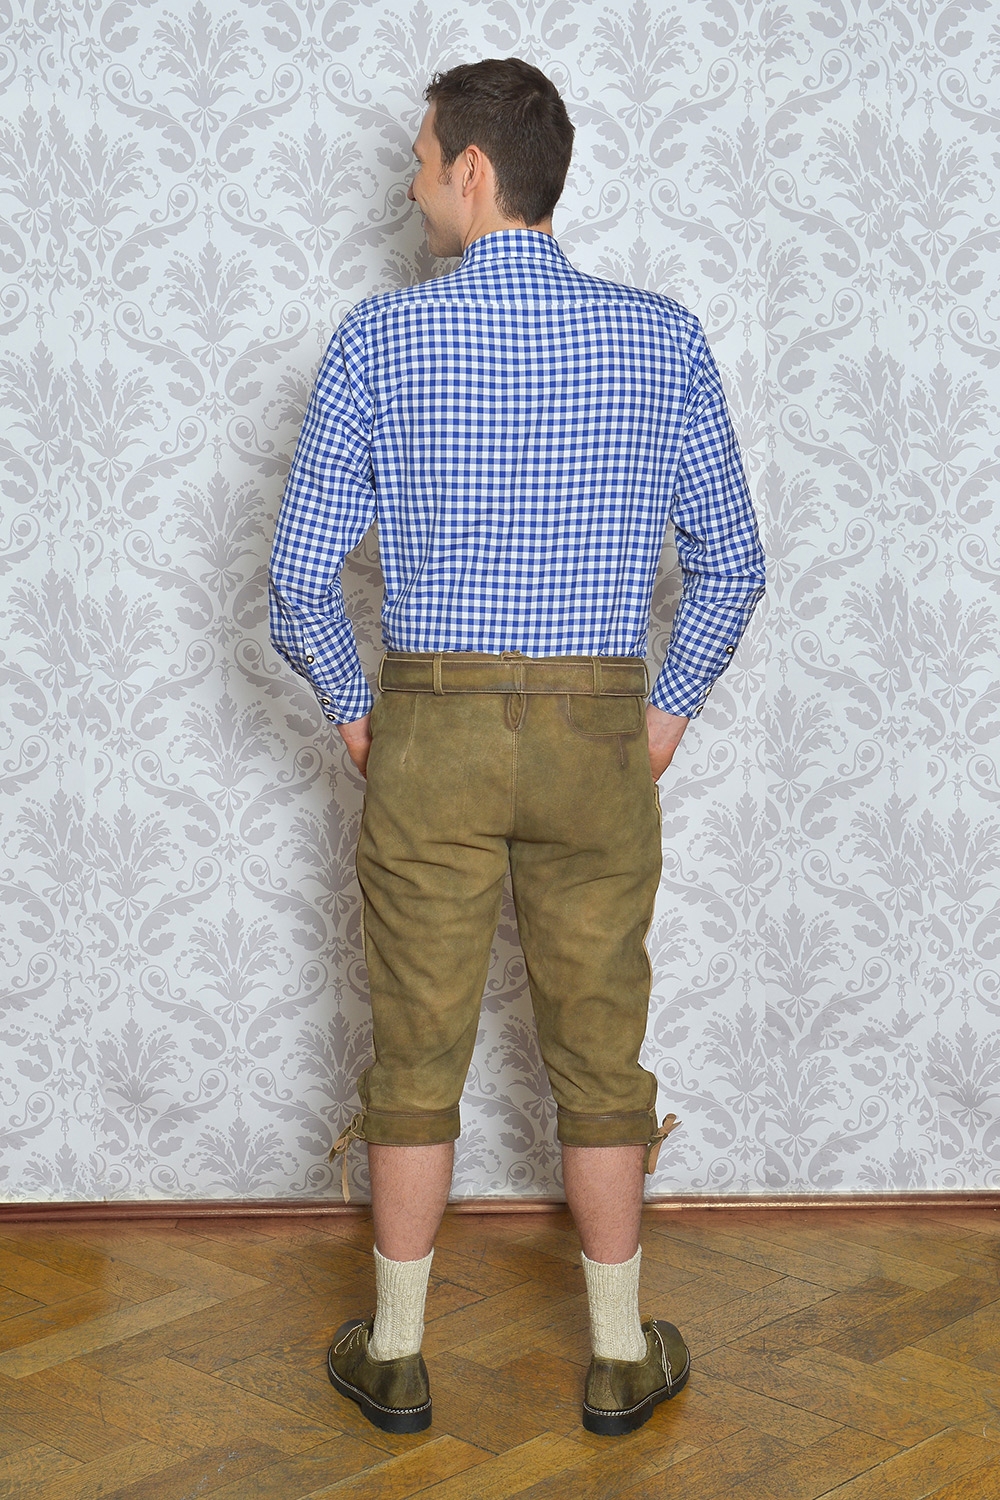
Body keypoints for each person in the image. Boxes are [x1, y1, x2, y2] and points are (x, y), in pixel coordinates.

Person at [268, 57, 765, 1438]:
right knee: (601, 1045)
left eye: (423, 158)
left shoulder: (383, 338)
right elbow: (734, 565)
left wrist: (363, 719)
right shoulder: (661, 338)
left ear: (473, 175)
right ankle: (617, 1353)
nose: (411, 183)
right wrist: (659, 716)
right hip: (597, 733)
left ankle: (396, 1353)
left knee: (414, 1044)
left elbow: (300, 580)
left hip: (430, 730)